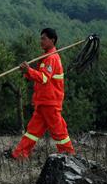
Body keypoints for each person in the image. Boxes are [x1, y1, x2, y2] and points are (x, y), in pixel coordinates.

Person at [10, 28, 75, 159]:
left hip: (50, 102)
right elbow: (39, 77)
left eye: (44, 38)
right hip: (43, 102)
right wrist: (27, 71)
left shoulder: (51, 58)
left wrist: (29, 70)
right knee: (32, 131)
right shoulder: (46, 57)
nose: (41, 41)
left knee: (59, 131)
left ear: (52, 40)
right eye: (41, 38)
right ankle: (19, 155)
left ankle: (69, 156)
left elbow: (44, 78)